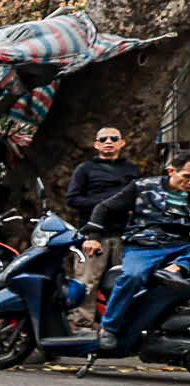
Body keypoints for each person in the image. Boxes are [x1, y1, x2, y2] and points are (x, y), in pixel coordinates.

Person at [82, 149, 190, 352]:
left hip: (182, 246)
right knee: (132, 276)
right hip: (145, 246)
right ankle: (109, 329)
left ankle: (177, 268)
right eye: (187, 177)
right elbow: (103, 208)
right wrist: (93, 237)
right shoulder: (143, 187)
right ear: (171, 171)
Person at [66, 127, 139, 328]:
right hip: (92, 235)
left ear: (121, 143)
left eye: (114, 138)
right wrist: (108, 202)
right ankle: (82, 324)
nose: (109, 141)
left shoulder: (131, 170)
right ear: (96, 144)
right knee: (86, 281)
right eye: (103, 139)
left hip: (124, 234)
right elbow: (72, 200)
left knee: (124, 282)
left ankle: (122, 326)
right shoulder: (85, 169)